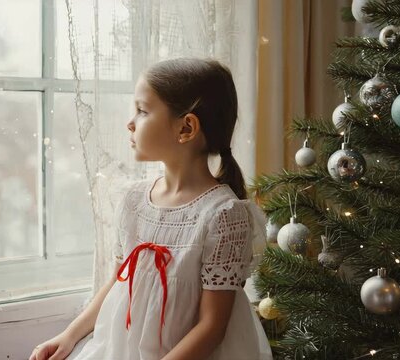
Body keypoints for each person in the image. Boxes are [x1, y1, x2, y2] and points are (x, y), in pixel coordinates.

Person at [29, 58, 272, 360]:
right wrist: (69, 336)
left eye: (142, 111)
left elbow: (212, 327)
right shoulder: (133, 200)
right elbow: (119, 282)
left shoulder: (223, 215)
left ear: (186, 127)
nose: (130, 122)